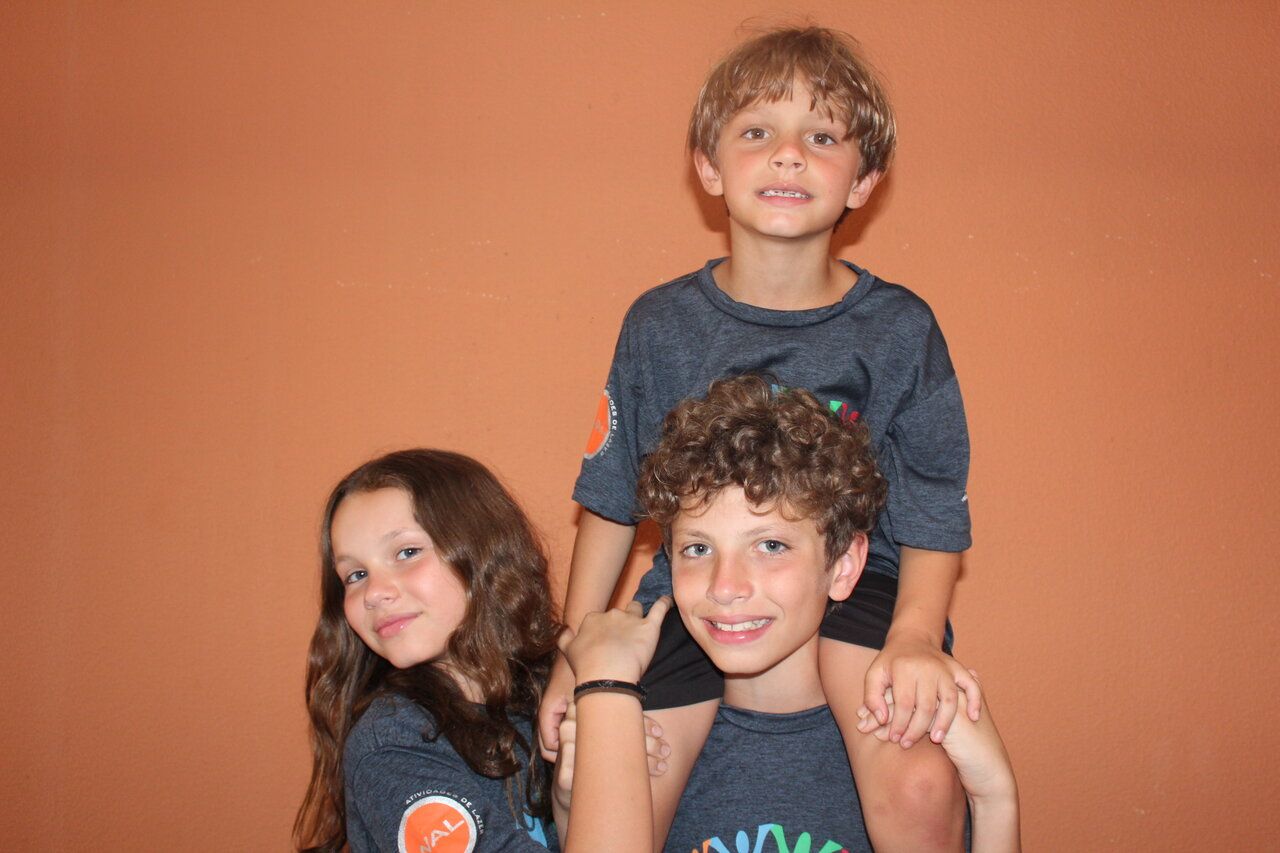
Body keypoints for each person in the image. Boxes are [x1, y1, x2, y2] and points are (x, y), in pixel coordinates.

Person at [542, 25, 979, 850]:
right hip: (695, 589)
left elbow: (932, 509)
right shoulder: (660, 325)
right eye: (756, 132)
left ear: (864, 179)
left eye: (822, 138)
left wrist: (917, 636)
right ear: (708, 166)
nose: (788, 156)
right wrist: (575, 649)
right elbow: (609, 496)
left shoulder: (899, 329)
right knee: (618, 780)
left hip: (864, 584)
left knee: (920, 783)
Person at [556, 376, 1019, 852]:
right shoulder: (646, 744)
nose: (725, 587)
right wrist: (572, 803)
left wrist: (995, 799)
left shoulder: (902, 747)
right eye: (698, 548)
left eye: (771, 546)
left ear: (843, 566)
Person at [293, 449, 667, 853]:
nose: (374, 593)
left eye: (407, 553)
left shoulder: (549, 694)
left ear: (484, 550)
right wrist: (607, 682)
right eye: (355, 575)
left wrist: (571, 801)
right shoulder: (393, 746)